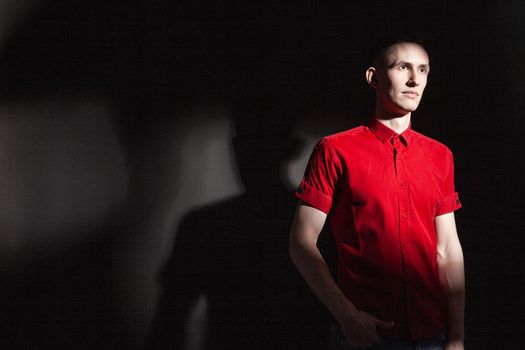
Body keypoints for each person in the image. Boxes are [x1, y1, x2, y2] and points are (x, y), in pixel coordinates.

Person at [289, 35, 465, 350]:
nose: (415, 80)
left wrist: (456, 336)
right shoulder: (335, 150)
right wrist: (346, 314)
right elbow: (301, 242)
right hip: (366, 336)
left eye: (423, 70)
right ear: (373, 77)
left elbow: (448, 249)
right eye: (403, 67)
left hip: (432, 336)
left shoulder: (441, 156)